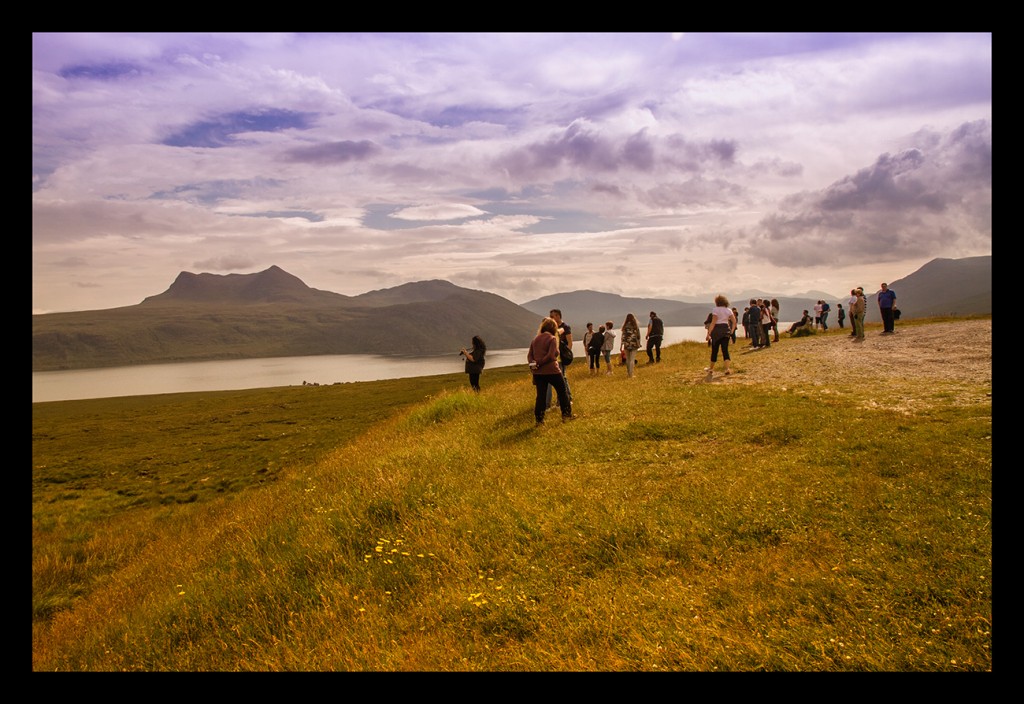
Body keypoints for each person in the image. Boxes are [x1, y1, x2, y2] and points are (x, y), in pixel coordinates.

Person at [527, 318, 573, 424]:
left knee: (541, 396)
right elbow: (552, 355)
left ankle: (539, 420)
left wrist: (534, 364)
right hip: (552, 371)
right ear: (553, 328)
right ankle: (566, 415)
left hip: (538, 373)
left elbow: (530, 355)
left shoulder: (535, 339)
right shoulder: (552, 339)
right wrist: (541, 362)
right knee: (562, 392)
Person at [546, 309, 573, 410]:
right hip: (554, 357)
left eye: (552, 316)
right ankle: (564, 399)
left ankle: (565, 399)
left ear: (558, 316)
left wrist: (567, 355)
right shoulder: (552, 327)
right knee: (561, 378)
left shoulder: (565, 327)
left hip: (561, 357)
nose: (551, 318)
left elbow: (570, 342)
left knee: (562, 378)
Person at [705, 295, 737, 379]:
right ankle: (727, 369)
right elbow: (734, 321)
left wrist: (708, 333)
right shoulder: (728, 310)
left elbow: (713, 322)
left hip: (717, 331)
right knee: (725, 350)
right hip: (725, 330)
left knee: (715, 350)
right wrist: (732, 331)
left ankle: (711, 369)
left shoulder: (715, 310)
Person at [621, 313, 642, 378]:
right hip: (634, 344)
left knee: (628, 359)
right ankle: (631, 374)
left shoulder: (624, 327)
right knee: (632, 359)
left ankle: (628, 373)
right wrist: (639, 343)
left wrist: (621, 345)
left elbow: (623, 337)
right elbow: (638, 336)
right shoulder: (635, 326)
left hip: (626, 344)